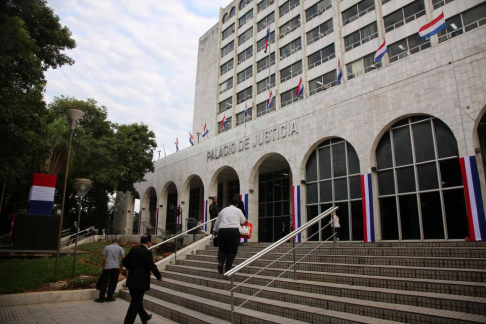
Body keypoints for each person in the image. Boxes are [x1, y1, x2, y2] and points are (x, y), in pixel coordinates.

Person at [122, 235, 162, 324]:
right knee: (136, 302)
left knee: (136, 300)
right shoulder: (146, 252)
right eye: (150, 242)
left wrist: (131, 269)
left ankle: (144, 317)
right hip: (141, 281)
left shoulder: (133, 250)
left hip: (131, 279)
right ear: (148, 242)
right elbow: (151, 265)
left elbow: (124, 261)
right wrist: (159, 276)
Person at [213, 198, 247, 274]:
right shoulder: (238, 210)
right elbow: (243, 221)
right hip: (233, 231)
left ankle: (220, 262)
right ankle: (228, 268)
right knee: (232, 251)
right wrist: (244, 220)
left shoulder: (223, 210)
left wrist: (215, 230)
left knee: (222, 249)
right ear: (236, 204)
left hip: (222, 231)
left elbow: (217, 222)